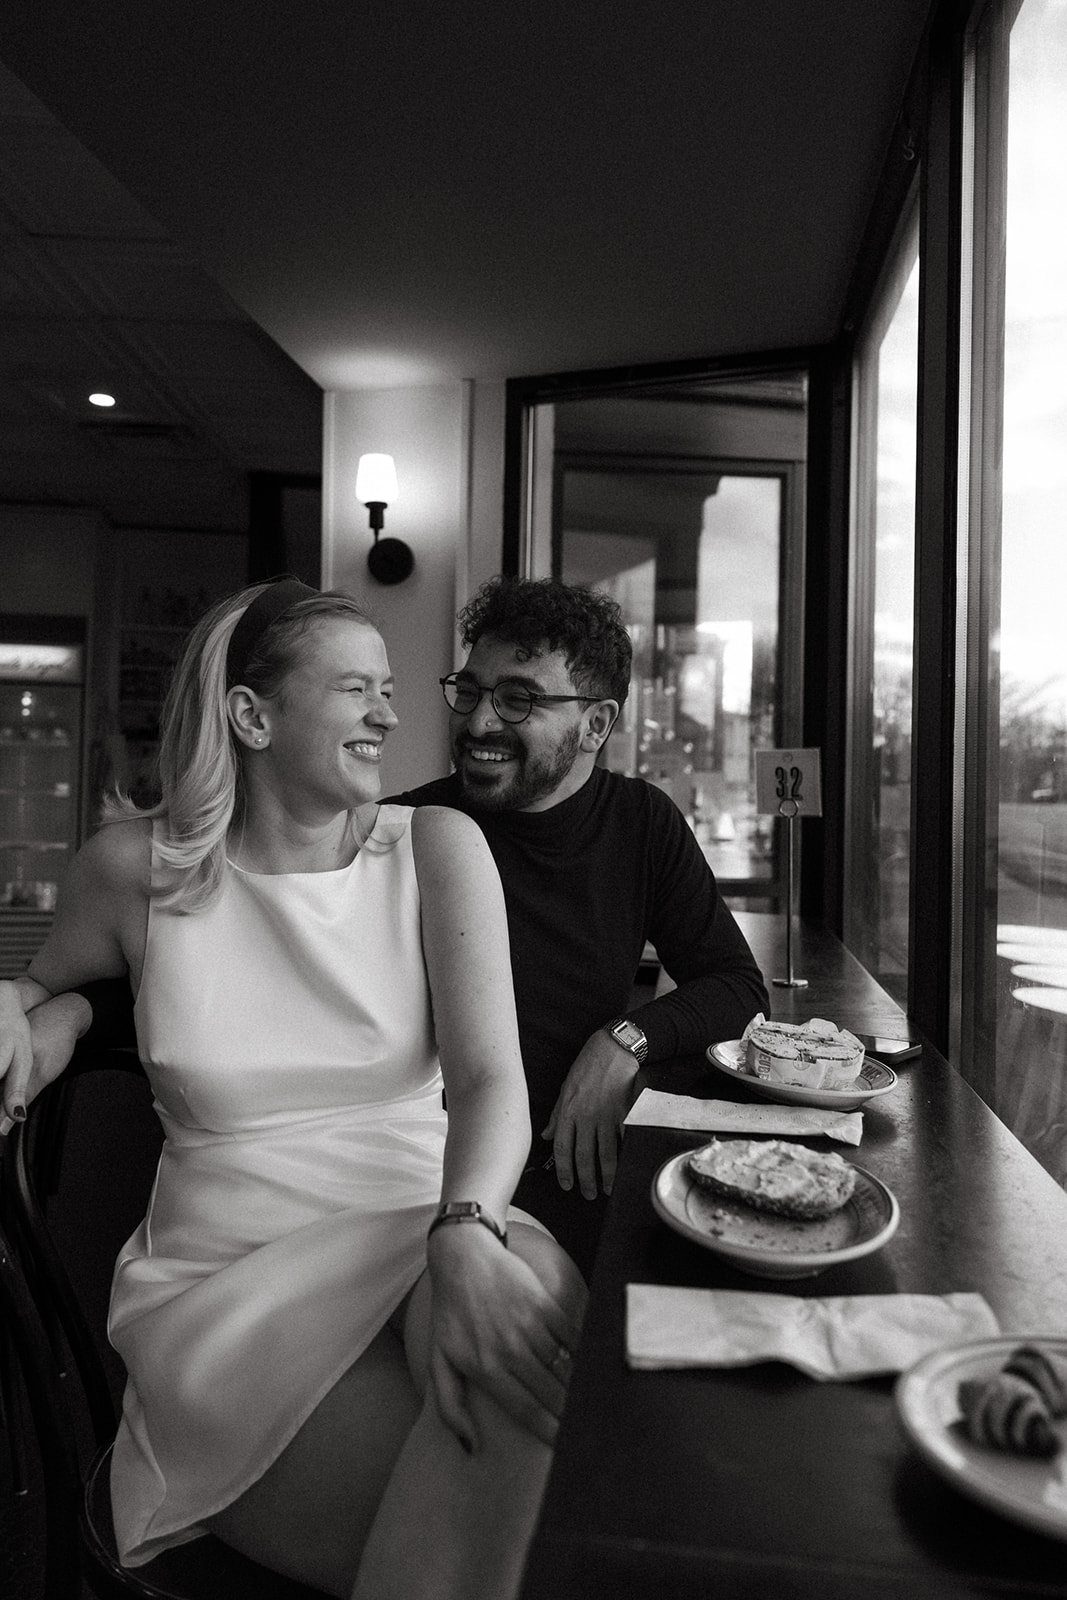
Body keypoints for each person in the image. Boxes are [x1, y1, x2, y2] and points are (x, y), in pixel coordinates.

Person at [0, 577, 585, 1600]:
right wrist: (56, 1010)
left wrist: (464, 1223)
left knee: (515, 1317)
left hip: (428, 1218)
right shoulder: (132, 871)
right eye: (358, 688)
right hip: (233, 1289)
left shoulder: (436, 849)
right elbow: (41, 982)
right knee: (529, 1497)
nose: (392, 715)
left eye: (392, 689)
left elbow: (494, 1079)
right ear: (251, 714)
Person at [390, 576, 769, 1277]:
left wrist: (623, 1039)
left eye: (518, 699)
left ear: (596, 725)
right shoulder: (402, 829)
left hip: (574, 1171)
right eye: (469, 691)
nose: (477, 723)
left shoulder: (640, 823)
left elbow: (737, 987)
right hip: (420, 1173)